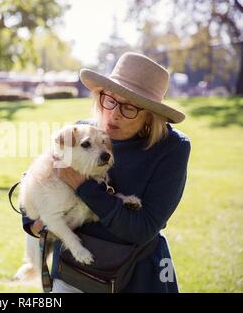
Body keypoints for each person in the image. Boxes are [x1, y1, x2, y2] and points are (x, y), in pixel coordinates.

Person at [22, 52, 191, 293]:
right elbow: (38, 181)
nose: (114, 113)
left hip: (136, 276)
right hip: (74, 273)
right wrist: (33, 223)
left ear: (151, 115)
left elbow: (142, 229)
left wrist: (82, 185)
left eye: (129, 107)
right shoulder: (83, 132)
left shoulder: (172, 148)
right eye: (109, 100)